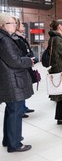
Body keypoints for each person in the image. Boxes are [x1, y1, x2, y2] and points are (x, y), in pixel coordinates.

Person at [0, 13, 34, 152]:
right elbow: (15, 61)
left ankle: (8, 140)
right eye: (10, 23)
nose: (14, 25)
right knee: (16, 111)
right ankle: (15, 144)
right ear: (2, 24)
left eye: (14, 23)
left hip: (10, 79)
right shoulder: (5, 40)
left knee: (11, 110)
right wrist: (29, 61)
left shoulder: (6, 37)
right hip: (12, 80)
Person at [13, 18, 36, 118]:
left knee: (25, 85)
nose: (23, 26)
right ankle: (21, 108)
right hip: (22, 64)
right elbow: (20, 53)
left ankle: (24, 107)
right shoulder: (15, 38)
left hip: (26, 62)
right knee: (22, 87)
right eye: (22, 25)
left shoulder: (21, 37)